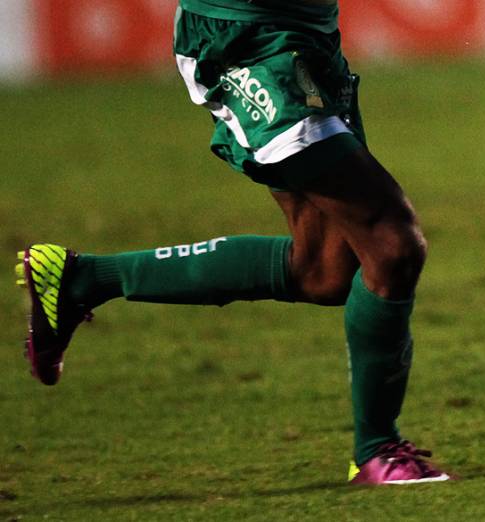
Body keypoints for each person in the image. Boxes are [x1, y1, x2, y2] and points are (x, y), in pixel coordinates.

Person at [15, 0, 449, 484]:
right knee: (392, 244)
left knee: (323, 270)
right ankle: (377, 451)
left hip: (305, 38)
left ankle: (84, 279)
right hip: (248, 42)